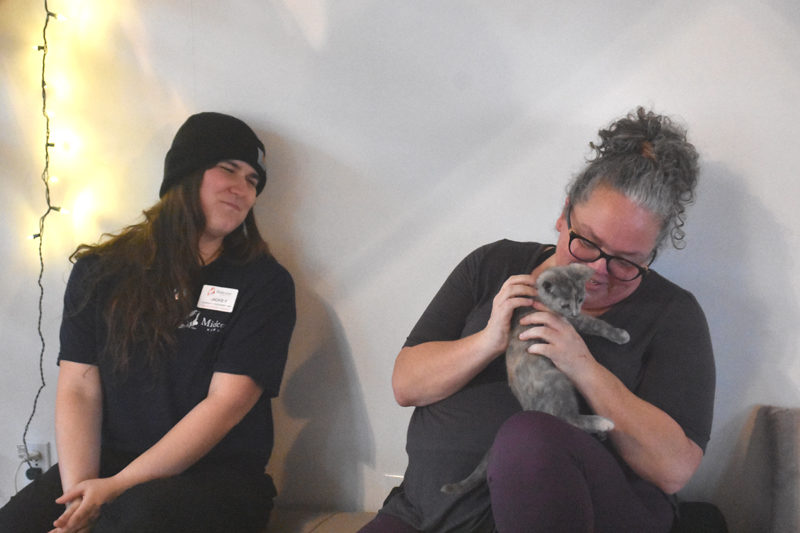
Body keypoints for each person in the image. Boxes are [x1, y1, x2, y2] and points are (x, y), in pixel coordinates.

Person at [360, 107, 715, 532]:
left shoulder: (672, 314)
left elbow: (672, 469)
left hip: (593, 517)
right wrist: (489, 340)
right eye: (587, 243)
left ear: (651, 255)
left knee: (530, 437)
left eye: (626, 262)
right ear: (564, 216)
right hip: (420, 514)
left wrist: (582, 366)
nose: (598, 271)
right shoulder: (493, 265)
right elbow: (406, 383)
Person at [0, 112, 296, 533]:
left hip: (218, 480)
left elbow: (226, 404)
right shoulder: (100, 271)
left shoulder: (264, 283)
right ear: (185, 173)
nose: (243, 189)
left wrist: (116, 488)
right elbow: (80, 387)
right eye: (228, 169)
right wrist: (80, 493)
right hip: (108, 463)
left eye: (252, 180)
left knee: (133, 520)